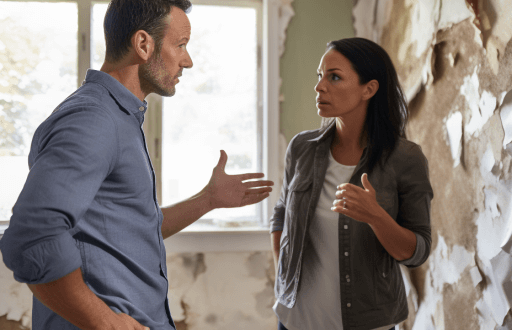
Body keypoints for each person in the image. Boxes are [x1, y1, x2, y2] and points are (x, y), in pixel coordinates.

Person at [0, 0, 274, 329]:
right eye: (181, 45)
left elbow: (126, 232)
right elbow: (32, 237)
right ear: (143, 44)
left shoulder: (120, 117)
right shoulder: (93, 119)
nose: (188, 60)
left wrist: (208, 200)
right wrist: (104, 320)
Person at [270, 37, 433, 330]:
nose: (320, 86)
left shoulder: (406, 158)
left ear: (368, 89)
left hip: (368, 323)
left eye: (334, 77)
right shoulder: (301, 148)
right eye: (320, 76)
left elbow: (417, 252)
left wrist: (375, 216)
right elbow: (282, 213)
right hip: (294, 320)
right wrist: (284, 278)